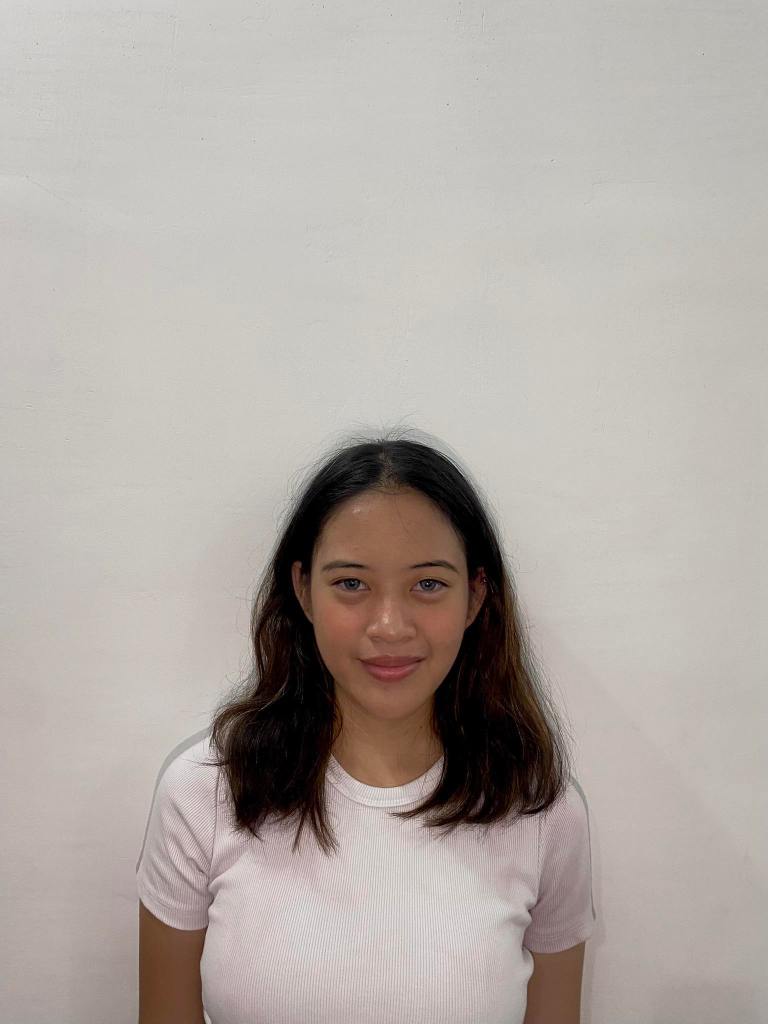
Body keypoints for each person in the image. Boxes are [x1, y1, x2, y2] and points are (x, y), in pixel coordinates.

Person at [136, 428, 597, 1024]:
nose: (389, 625)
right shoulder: (204, 793)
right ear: (303, 590)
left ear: (475, 596)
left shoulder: (539, 812)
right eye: (351, 584)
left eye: (428, 584)